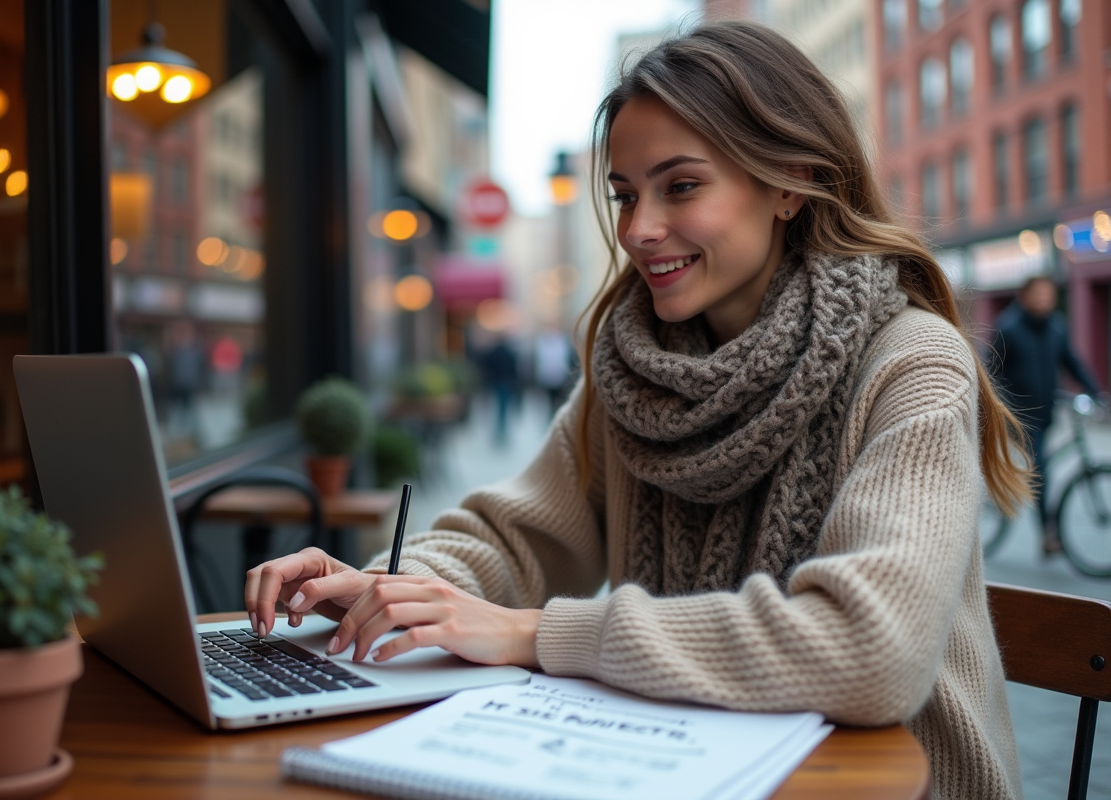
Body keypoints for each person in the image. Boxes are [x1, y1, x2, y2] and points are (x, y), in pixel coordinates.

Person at [245, 22, 1031, 800]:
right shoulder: (633, 374)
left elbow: (873, 651)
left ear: (789, 182)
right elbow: (514, 540)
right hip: (684, 766)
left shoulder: (911, 361)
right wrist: (391, 587)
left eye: (680, 186)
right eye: (625, 194)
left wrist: (535, 634)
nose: (638, 229)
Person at [987, 275, 1102, 554]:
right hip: (1020, 418)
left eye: (1048, 295)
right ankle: (1047, 535)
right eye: (1038, 295)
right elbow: (990, 373)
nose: (1044, 300)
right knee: (1042, 472)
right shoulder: (1008, 328)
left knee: (1041, 466)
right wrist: (1005, 407)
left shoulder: (1057, 328)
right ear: (1024, 297)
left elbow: (1072, 363)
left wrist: (1095, 392)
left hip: (1047, 412)